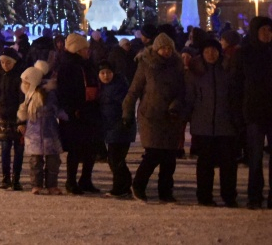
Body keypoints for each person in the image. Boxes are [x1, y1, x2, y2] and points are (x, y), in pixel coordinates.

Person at [123, 33, 187, 203]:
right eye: (163, 48)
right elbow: (134, 90)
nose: (166, 51)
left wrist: (176, 105)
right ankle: (138, 185)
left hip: (171, 117)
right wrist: (127, 112)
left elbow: (182, 90)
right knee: (153, 154)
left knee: (169, 158)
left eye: (169, 48)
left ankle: (165, 192)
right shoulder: (146, 65)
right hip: (151, 116)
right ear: (157, 49)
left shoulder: (177, 65)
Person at [187, 38, 241, 207]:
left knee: (229, 165)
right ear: (202, 53)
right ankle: (204, 196)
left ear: (220, 52)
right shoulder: (195, 73)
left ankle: (229, 196)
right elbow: (189, 97)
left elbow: (235, 96)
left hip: (226, 126)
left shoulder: (229, 70)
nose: (211, 54)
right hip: (203, 126)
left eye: (214, 50)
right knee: (205, 165)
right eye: (207, 51)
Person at [56, 33, 103, 195]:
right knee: (75, 149)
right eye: (84, 48)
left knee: (90, 148)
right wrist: (71, 109)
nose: (87, 51)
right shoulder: (67, 66)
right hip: (75, 114)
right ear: (77, 49)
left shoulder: (86, 64)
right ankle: (71, 181)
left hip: (90, 110)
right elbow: (62, 91)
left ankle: (85, 179)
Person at [237, 15, 272, 209]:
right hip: (254, 113)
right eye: (263, 30)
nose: (267, 34)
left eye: (269, 30)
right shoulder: (245, 54)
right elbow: (237, 85)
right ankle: (254, 196)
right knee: (255, 158)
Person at [18, 60, 64, 195]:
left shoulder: (48, 93)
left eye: (27, 82)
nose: (24, 85)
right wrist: (21, 122)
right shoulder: (29, 95)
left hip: (49, 129)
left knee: (53, 160)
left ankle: (52, 185)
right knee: (35, 160)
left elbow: (55, 107)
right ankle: (36, 185)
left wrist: (62, 114)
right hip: (34, 131)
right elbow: (23, 110)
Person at [0, 48, 24, 191]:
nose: (5, 65)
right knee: (5, 148)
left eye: (8, 62)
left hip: (17, 115)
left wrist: (22, 117)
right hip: (3, 114)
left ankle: (16, 179)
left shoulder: (20, 75)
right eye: (2, 62)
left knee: (19, 149)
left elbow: (22, 96)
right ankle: (5, 178)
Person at [98, 60, 135, 198]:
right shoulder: (102, 87)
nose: (106, 76)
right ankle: (124, 185)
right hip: (111, 128)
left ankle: (121, 187)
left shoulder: (119, 87)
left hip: (120, 127)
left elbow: (125, 106)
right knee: (115, 158)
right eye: (102, 73)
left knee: (115, 158)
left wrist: (124, 122)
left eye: (108, 73)